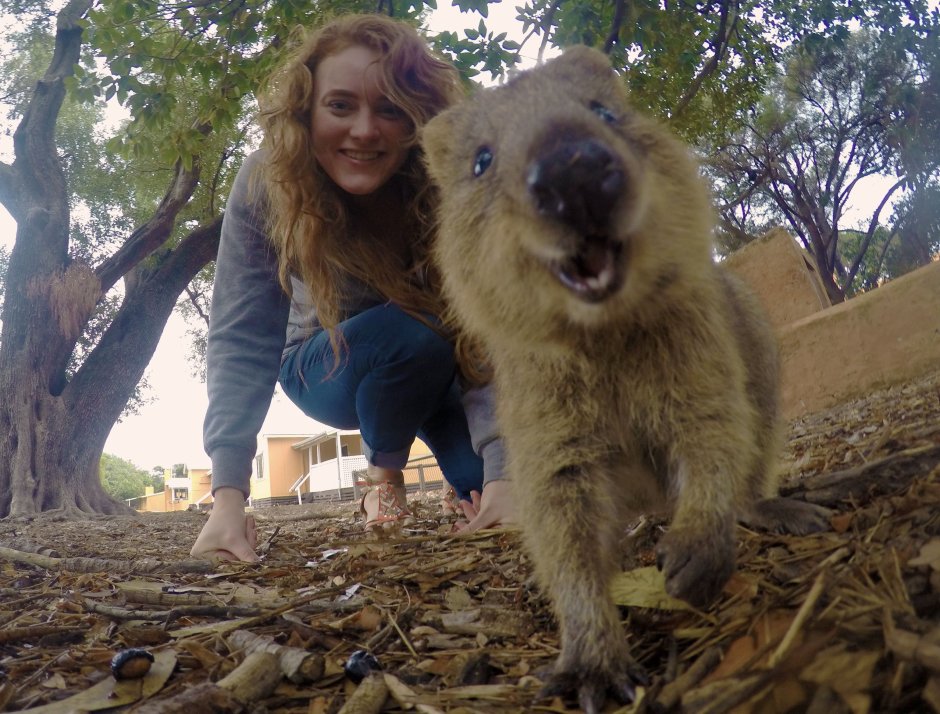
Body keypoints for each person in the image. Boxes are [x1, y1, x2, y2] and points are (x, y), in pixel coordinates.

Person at [190, 14, 511, 562]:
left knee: (489, 483)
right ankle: (382, 480)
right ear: (306, 111)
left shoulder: (451, 183)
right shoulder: (268, 182)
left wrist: (507, 476)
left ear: (419, 119)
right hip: (325, 367)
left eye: (390, 109)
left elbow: (490, 334)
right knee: (414, 331)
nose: (365, 130)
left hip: (440, 368)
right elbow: (242, 337)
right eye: (340, 106)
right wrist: (227, 498)